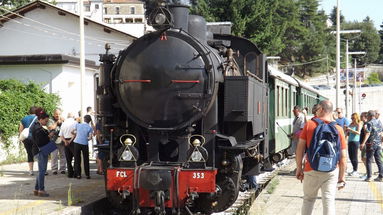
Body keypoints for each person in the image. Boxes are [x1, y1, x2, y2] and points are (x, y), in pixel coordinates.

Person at [296, 100, 347, 215]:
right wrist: (342, 177)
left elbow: (299, 149)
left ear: (322, 109)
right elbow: (343, 157)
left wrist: (299, 168)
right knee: (329, 201)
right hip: (331, 170)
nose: (316, 111)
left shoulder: (309, 124)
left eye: (317, 108)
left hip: (311, 169)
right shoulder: (339, 129)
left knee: (308, 200)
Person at [30, 109, 52, 197]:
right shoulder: (38, 128)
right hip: (40, 151)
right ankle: (41, 190)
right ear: (41, 119)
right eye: (45, 121)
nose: (46, 122)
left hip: (38, 150)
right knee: (42, 171)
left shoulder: (36, 126)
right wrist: (49, 136)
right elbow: (40, 141)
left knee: (40, 171)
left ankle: (36, 189)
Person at [360, 110, 383, 182]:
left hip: (371, 144)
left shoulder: (369, 123)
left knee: (369, 160)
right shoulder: (379, 122)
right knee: (379, 160)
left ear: (369, 116)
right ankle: (381, 176)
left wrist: (363, 143)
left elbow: (367, 133)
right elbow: (381, 132)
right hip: (378, 144)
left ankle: (369, 177)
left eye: (367, 116)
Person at [73, 115, 93, 179]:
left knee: (77, 159)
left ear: (84, 119)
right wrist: (85, 138)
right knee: (86, 159)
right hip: (84, 144)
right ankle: (87, 175)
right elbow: (90, 138)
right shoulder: (89, 128)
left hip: (76, 143)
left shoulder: (78, 125)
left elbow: (73, 131)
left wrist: (78, 135)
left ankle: (78, 175)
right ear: (89, 121)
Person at [19, 106, 37, 176]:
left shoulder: (24, 118)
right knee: (39, 153)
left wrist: (21, 138)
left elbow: (20, 129)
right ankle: (43, 170)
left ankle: (31, 170)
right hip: (35, 138)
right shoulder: (37, 118)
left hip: (26, 138)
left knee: (29, 153)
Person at [59, 113, 77, 178]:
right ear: (73, 117)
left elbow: (61, 135)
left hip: (65, 141)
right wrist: (70, 140)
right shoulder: (75, 123)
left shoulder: (63, 123)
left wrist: (65, 141)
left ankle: (70, 173)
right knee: (76, 157)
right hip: (74, 141)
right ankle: (76, 173)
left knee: (68, 158)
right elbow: (76, 134)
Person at [48, 108, 66, 175]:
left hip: (61, 140)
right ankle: (54, 169)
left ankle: (63, 169)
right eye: (56, 114)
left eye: (59, 114)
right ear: (53, 114)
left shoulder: (63, 120)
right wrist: (56, 123)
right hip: (53, 140)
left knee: (63, 155)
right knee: (54, 156)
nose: (57, 115)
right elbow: (50, 127)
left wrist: (64, 122)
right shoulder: (50, 120)